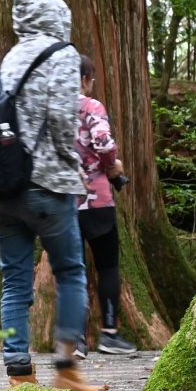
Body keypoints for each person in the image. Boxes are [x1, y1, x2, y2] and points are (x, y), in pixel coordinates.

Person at [0, 0, 104, 391]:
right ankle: (65, 367)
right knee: (71, 272)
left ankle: (18, 373)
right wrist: (71, 163)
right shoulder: (62, 55)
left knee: (15, 281)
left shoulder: (11, 56)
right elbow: (63, 120)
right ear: (57, 18)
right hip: (48, 183)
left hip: (3, 186)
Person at [75, 55, 137, 356]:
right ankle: (109, 333)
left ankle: (74, 338)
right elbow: (103, 142)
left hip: (63, 201)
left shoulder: (50, 109)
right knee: (108, 265)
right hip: (97, 199)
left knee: (71, 268)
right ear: (86, 79)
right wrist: (113, 166)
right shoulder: (90, 106)